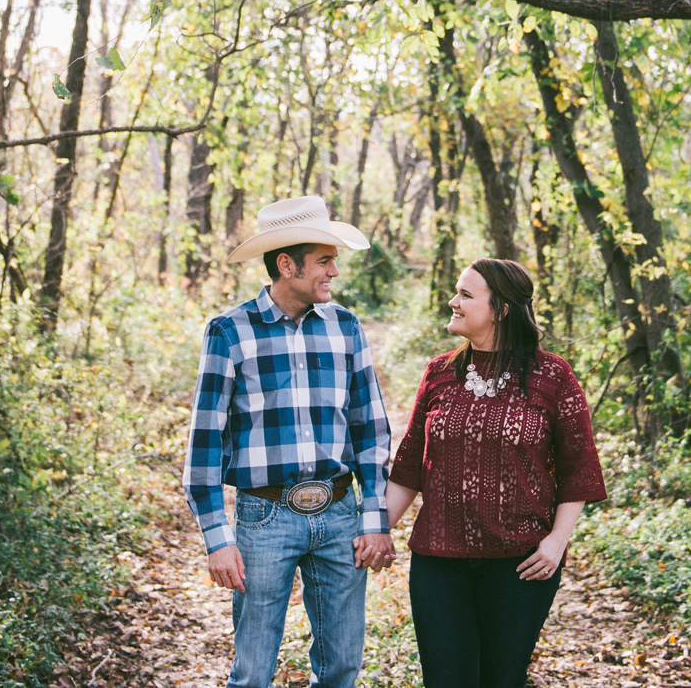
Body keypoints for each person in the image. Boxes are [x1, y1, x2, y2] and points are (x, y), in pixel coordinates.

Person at [182, 195, 397, 688]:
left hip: (340, 512)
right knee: (253, 672)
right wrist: (218, 539)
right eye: (324, 261)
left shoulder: (346, 327)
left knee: (342, 666)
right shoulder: (229, 332)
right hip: (264, 518)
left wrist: (374, 517)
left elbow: (371, 429)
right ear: (287, 265)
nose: (334, 272)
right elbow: (205, 443)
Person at [386, 258, 607, 688]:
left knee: (501, 679)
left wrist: (556, 543)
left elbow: (578, 469)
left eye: (466, 295)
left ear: (502, 309)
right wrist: (376, 531)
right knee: (445, 679)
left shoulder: (552, 375)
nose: (453, 302)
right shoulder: (439, 372)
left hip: (519, 566)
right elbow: (410, 464)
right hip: (438, 563)